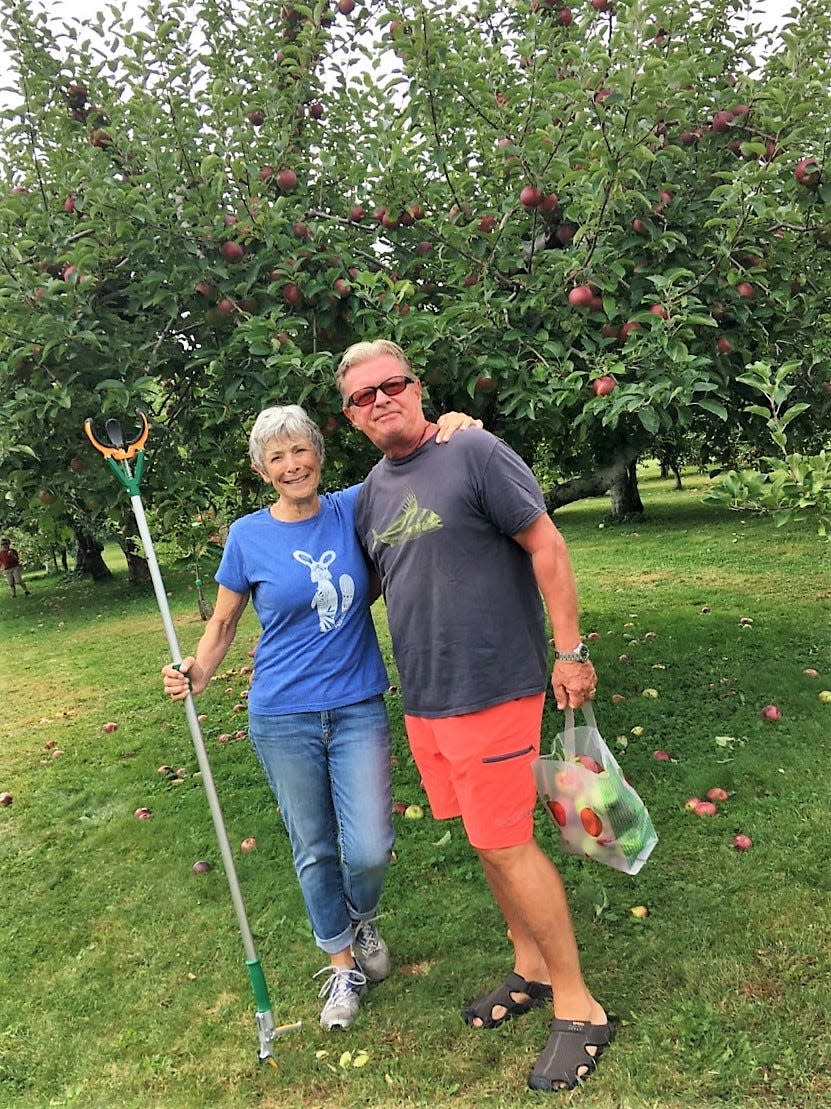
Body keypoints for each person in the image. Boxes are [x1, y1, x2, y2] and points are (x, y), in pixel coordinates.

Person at [337, 339, 611, 1093]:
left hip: (496, 687)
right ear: (351, 416)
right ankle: (527, 966)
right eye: (364, 394)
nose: (381, 397)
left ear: (416, 387)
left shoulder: (475, 450)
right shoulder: (369, 494)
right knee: (487, 846)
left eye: (392, 383)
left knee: (509, 843)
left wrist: (570, 651)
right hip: (428, 698)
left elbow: (546, 545)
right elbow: (363, 583)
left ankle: (580, 1006)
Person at [162, 404, 477, 1032]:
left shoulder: (353, 508)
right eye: (275, 457)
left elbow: (410, 466)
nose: (291, 465)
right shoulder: (247, 536)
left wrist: (452, 426)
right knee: (312, 848)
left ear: (318, 456)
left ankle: (360, 918)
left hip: (358, 703)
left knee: (368, 847)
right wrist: (198, 669)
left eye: (299, 450)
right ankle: (340, 966)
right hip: (281, 714)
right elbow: (223, 622)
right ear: (261, 470)